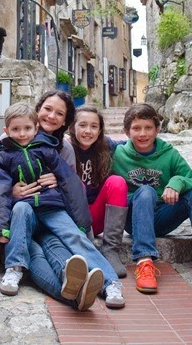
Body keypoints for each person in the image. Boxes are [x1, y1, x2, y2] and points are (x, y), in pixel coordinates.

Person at [0, 102, 123, 310]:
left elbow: (70, 182)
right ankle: (14, 269)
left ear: (35, 128)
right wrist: (0, 228)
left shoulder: (47, 149)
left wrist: (81, 222)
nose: (22, 134)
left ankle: (110, 283)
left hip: (51, 208)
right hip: (25, 214)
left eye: (27, 128)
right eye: (16, 129)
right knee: (24, 217)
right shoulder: (1, 156)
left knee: (73, 237)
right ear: (7, 130)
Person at [112, 103, 192, 294]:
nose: (143, 133)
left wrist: (176, 182)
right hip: (134, 218)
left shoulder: (169, 154)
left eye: (148, 127)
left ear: (157, 129)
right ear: (127, 132)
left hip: (163, 217)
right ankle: (144, 260)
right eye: (136, 128)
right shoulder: (118, 155)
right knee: (146, 191)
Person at [68, 106, 128, 277]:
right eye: (82, 125)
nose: (88, 131)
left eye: (94, 126)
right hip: (71, 219)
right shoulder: (64, 148)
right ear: (72, 127)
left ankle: (110, 251)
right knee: (76, 183)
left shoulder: (106, 146)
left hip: (96, 217)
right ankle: (84, 250)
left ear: (100, 130)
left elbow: (132, 145)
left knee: (117, 182)